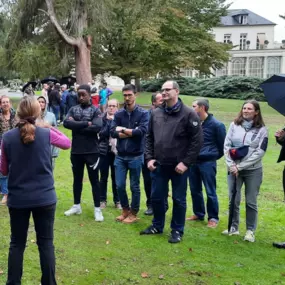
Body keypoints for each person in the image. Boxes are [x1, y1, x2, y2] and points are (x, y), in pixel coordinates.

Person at [0, 96, 71, 285]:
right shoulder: (46, 134)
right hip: (45, 197)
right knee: (46, 244)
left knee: (17, 244)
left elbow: (4, 170)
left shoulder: (7, 137)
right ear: (38, 112)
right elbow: (66, 142)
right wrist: (47, 126)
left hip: (18, 198)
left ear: (19, 113)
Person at [141, 80, 203, 243]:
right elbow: (149, 137)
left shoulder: (189, 114)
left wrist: (186, 162)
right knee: (157, 197)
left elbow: (197, 141)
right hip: (159, 165)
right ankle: (157, 225)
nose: (164, 92)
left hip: (179, 166)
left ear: (177, 91)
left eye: (168, 89)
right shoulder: (155, 113)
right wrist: (149, 158)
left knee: (178, 199)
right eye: (162, 90)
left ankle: (177, 230)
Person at [223, 100, 268, 243]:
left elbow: (260, 152)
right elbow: (227, 145)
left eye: (249, 109)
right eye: (244, 108)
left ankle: (250, 231)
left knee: (251, 201)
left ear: (256, 112)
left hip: (252, 171)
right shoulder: (233, 125)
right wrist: (231, 165)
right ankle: (233, 228)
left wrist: (240, 167)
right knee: (233, 200)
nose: (246, 111)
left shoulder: (262, 130)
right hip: (233, 169)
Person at [63, 84, 104, 222]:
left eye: (83, 95)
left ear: (89, 95)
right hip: (76, 151)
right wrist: (86, 124)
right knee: (77, 180)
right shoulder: (73, 109)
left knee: (94, 181)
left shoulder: (95, 110)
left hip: (92, 151)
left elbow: (97, 127)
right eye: (79, 95)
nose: (81, 97)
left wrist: (77, 124)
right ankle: (76, 205)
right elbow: (66, 123)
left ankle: (97, 208)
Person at [110, 84, 149, 224]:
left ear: (135, 95)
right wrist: (131, 132)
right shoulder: (119, 113)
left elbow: (142, 132)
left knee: (134, 186)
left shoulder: (143, 114)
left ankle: (133, 212)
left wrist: (124, 130)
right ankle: (125, 210)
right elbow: (113, 132)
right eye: (125, 95)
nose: (127, 98)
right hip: (120, 155)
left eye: (129, 95)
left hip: (136, 155)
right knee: (119, 185)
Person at [186, 99, 226, 228]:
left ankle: (213, 217)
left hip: (207, 163)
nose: (191, 109)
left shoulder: (217, 125)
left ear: (202, 108)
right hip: (192, 162)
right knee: (194, 189)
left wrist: (211, 156)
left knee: (210, 191)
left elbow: (222, 147)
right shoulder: (193, 123)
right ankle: (198, 213)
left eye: (194, 106)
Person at [142, 92, 164, 215]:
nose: (163, 101)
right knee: (148, 181)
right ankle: (150, 205)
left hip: (163, 155)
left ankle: (162, 204)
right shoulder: (147, 116)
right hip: (148, 154)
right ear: (153, 103)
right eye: (160, 100)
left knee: (162, 181)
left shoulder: (168, 114)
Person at [99, 99, 121, 209]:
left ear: (117, 107)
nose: (111, 108)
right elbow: (101, 133)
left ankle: (117, 201)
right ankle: (102, 200)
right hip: (103, 150)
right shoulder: (102, 118)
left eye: (113, 106)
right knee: (103, 177)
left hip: (116, 151)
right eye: (109, 106)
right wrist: (110, 124)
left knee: (116, 177)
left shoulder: (121, 118)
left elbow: (120, 133)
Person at [0, 96, 17, 205]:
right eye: (3, 102)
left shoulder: (15, 115)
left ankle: (14, 191)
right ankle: (5, 194)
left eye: (7, 102)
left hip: (14, 145)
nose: (6, 104)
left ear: (10, 103)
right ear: (0, 104)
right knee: (3, 170)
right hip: (1, 145)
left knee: (14, 168)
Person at [37, 96, 59, 169]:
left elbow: (56, 133)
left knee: (49, 169)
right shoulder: (32, 116)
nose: (40, 104)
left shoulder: (51, 116)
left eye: (42, 102)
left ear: (45, 104)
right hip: (36, 147)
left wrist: (55, 152)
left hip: (49, 147)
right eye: (39, 102)